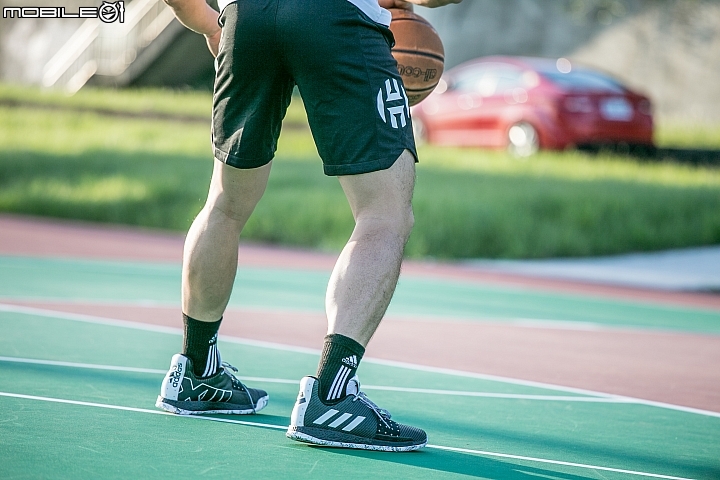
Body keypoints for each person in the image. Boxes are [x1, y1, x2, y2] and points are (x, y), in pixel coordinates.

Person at [155, 0, 461, 451]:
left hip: (248, 15)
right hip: (336, 18)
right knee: (384, 214)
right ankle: (331, 397)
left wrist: (208, 23)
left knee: (224, 203)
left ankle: (195, 372)